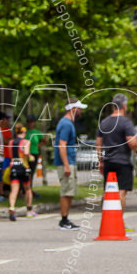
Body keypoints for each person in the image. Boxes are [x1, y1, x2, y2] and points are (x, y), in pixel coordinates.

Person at [96, 93, 137, 206]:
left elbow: (99, 144)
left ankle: (106, 218)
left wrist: (101, 161)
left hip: (108, 161)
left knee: (108, 190)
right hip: (123, 162)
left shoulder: (104, 122)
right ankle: (118, 221)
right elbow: (131, 141)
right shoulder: (126, 122)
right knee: (122, 190)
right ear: (124, 106)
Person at [55, 99, 87, 230]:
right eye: (79, 108)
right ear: (73, 109)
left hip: (69, 161)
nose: (81, 111)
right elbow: (62, 145)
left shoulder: (68, 123)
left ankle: (66, 218)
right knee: (66, 191)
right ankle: (63, 220)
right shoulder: (66, 124)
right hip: (66, 162)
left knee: (70, 191)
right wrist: (66, 165)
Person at [6, 124, 34, 220]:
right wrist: (31, 156)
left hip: (13, 166)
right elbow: (26, 153)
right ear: (24, 132)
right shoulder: (26, 142)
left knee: (14, 190)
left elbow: (10, 155)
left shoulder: (11, 142)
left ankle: (12, 208)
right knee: (27, 189)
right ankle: (29, 210)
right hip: (23, 167)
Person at [24, 115, 46, 184]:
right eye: (28, 122)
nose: (30, 123)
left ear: (34, 123)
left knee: (31, 171)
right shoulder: (24, 132)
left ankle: (29, 188)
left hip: (33, 154)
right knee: (24, 171)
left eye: (31, 122)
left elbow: (45, 140)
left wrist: (38, 145)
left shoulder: (37, 132)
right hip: (25, 154)